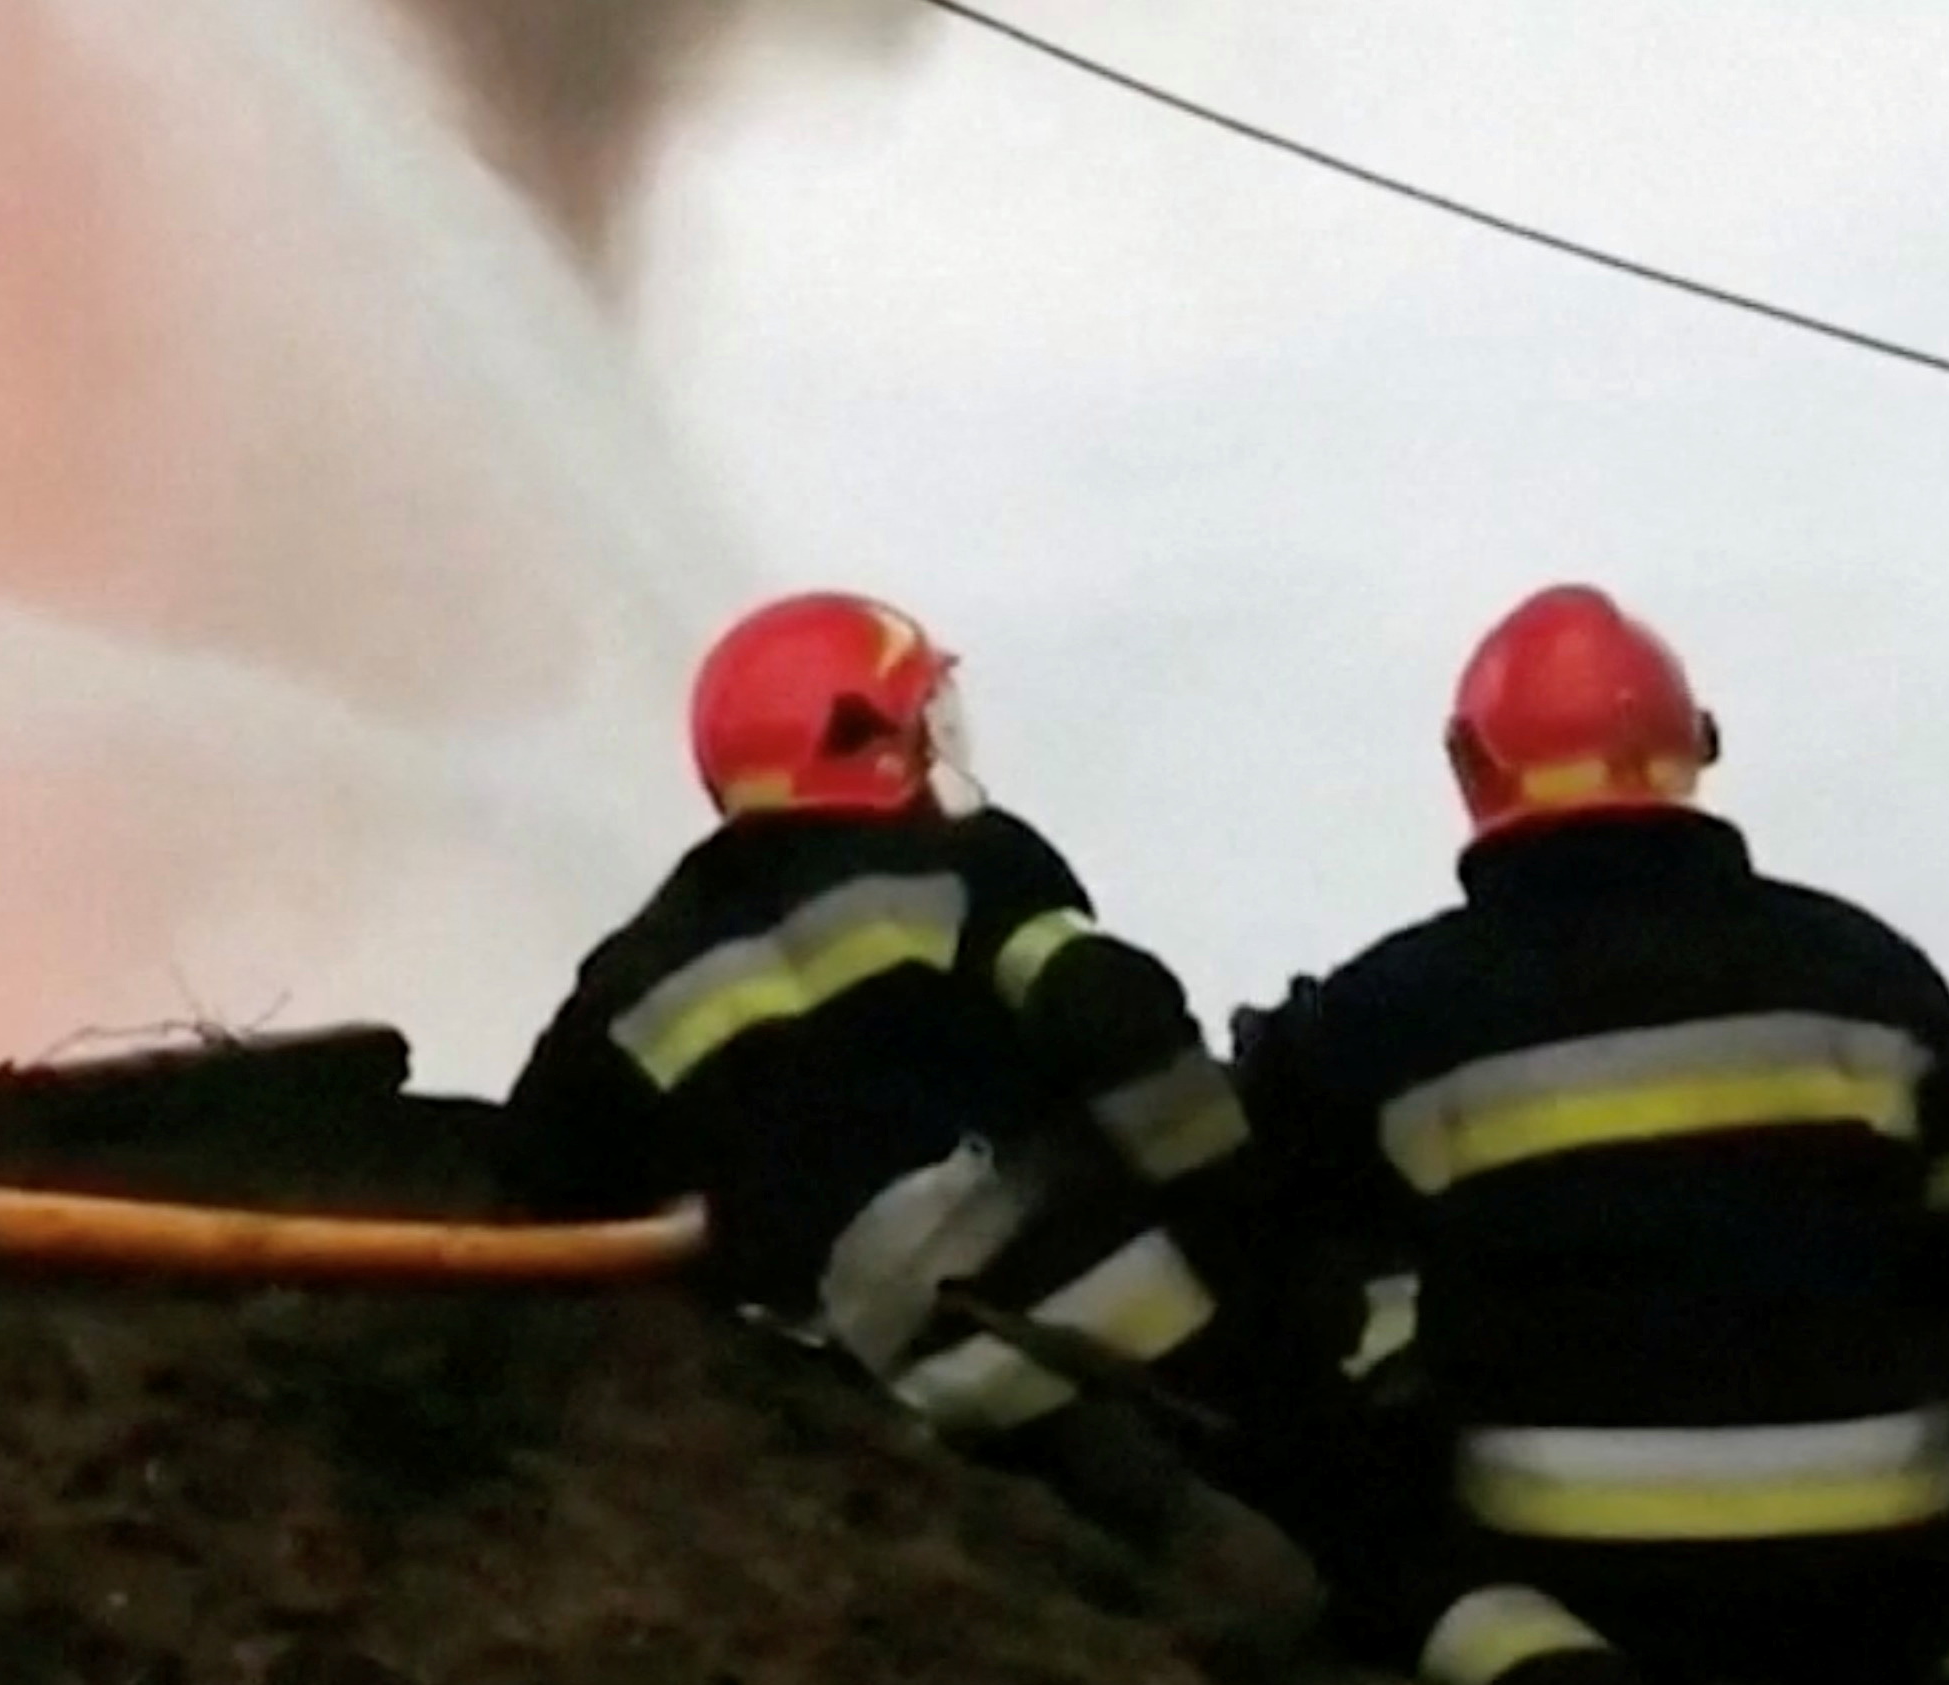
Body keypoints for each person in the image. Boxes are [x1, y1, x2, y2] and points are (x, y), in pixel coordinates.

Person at [1233, 583, 1949, 1685]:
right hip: (1880, 1572)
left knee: (1368, 1529)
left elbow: (1276, 1258)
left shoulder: (1386, 1016)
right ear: (1698, 746)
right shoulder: (1866, 969)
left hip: (1584, 1566)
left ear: (1471, 771)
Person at [502, 591, 1352, 1629]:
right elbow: (1112, 1015)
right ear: (871, 742)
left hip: (915, 1396)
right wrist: (1249, 1235)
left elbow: (540, 1171)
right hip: (1149, 1330)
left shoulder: (624, 986)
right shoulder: (972, 864)